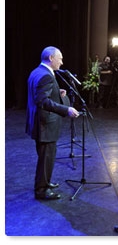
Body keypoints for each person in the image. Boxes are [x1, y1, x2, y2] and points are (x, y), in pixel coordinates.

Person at [26, 46, 80, 200]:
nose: (62, 62)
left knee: (45, 157)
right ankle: (42, 190)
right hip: (45, 125)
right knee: (46, 158)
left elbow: (41, 96)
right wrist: (66, 109)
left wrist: (57, 93)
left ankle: (45, 182)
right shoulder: (46, 76)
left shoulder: (36, 72)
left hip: (38, 123)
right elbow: (42, 101)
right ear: (51, 58)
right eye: (60, 58)